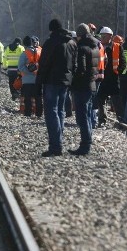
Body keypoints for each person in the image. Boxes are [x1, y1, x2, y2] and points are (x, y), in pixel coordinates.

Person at [36, 18, 76, 157]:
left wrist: (38, 82)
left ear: (51, 29)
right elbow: (74, 63)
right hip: (65, 82)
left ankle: (55, 146)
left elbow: (44, 64)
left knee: (51, 112)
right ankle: (58, 142)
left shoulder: (50, 42)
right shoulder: (72, 43)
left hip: (51, 81)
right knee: (60, 111)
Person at [69, 23, 99, 155]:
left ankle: (85, 146)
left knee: (82, 117)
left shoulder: (81, 48)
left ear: (79, 35)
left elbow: (81, 69)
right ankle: (88, 143)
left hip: (81, 87)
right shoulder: (95, 47)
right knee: (87, 115)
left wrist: (73, 79)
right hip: (91, 85)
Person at [94, 27, 126, 128]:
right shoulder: (98, 46)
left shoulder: (117, 46)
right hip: (102, 78)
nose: (102, 37)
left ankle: (121, 120)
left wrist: (118, 72)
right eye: (101, 36)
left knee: (116, 99)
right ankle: (102, 119)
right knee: (100, 99)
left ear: (110, 36)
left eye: (104, 36)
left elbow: (123, 62)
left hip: (113, 78)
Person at [18, 35, 42, 117]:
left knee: (27, 98)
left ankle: (28, 113)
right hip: (38, 79)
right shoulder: (40, 52)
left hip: (27, 80)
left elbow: (20, 67)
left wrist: (29, 71)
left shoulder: (24, 54)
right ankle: (39, 113)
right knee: (38, 98)